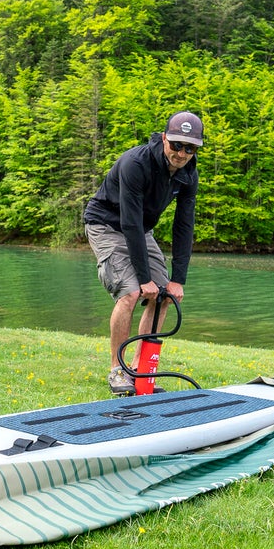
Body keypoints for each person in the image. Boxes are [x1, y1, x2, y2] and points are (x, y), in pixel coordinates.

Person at [83, 111, 203, 394]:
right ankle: (117, 370)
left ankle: (140, 370)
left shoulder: (189, 173)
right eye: (176, 144)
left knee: (164, 295)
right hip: (106, 224)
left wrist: (178, 279)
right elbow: (129, 222)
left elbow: (184, 226)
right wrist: (144, 277)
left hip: (141, 229)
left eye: (190, 147)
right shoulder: (135, 163)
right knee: (131, 292)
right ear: (164, 139)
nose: (182, 153)